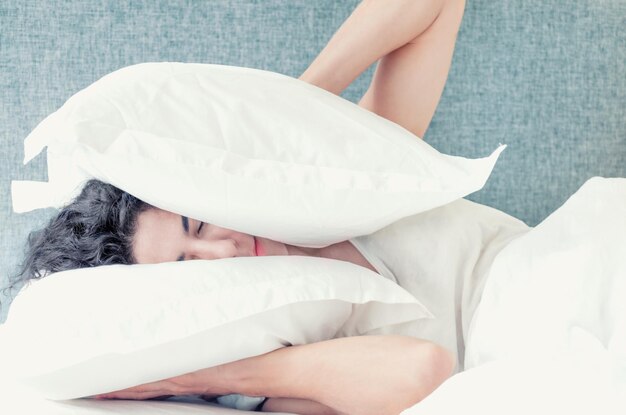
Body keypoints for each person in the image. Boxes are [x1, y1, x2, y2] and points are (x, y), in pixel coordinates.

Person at [6, 1, 486, 414]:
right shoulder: (268, 350)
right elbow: (425, 371)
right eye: (189, 265)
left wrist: (286, 113)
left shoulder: (344, 188)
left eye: (197, 224)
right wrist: (189, 380)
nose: (224, 249)